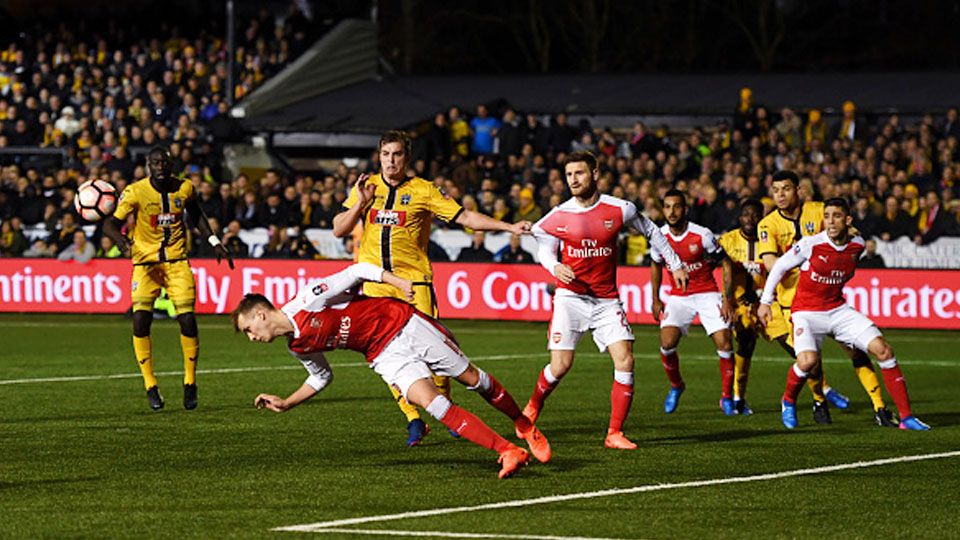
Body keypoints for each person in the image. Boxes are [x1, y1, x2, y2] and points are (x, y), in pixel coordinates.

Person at [232, 262, 551, 478]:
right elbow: (321, 376)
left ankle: (523, 424)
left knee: (472, 379)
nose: (251, 337)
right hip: (382, 353)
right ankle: (509, 450)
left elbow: (357, 270)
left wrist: (397, 282)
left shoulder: (308, 301)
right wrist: (287, 402)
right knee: (433, 404)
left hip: (402, 324)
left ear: (260, 314)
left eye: (248, 329)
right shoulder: (296, 346)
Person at [332, 130, 531, 446]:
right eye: (386, 154)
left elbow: (464, 216)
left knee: (438, 355)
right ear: (379, 156)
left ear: (406, 158)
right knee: (386, 357)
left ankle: (448, 411)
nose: (391, 161)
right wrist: (360, 204)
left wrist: (508, 227)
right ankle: (413, 419)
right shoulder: (366, 186)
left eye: (397, 154)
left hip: (414, 285)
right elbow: (339, 229)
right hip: (376, 287)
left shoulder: (424, 190)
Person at [521, 151, 688, 450]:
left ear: (595, 174)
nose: (573, 179)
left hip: (606, 300)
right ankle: (532, 406)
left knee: (625, 360)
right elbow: (542, 244)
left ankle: (614, 433)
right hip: (570, 298)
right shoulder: (558, 214)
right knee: (560, 366)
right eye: (569, 174)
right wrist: (553, 266)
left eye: (579, 173)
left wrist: (674, 263)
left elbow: (652, 231)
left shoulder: (619, 209)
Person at [759, 198, 929, 431]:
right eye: (827, 216)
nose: (830, 221)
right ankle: (788, 400)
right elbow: (779, 267)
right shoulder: (810, 244)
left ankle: (907, 417)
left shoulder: (857, 245)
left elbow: (849, 262)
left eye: (836, 216)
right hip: (807, 313)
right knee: (807, 362)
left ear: (848, 221)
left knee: (883, 350)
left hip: (837, 310)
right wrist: (766, 302)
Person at [102, 146, 233, 411]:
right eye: (155, 162)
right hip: (145, 263)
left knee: (186, 318)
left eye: (164, 162)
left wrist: (214, 241)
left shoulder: (184, 188)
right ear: (148, 165)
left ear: (171, 164)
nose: (160, 166)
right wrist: (125, 245)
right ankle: (150, 385)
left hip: (176, 261)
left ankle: (190, 381)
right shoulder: (135, 192)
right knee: (140, 320)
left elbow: (196, 215)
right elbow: (109, 225)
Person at [650, 189, 737, 416]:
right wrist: (655, 298)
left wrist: (728, 299)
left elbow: (725, 263)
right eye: (667, 206)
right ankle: (677, 386)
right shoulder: (658, 237)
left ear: (685, 209)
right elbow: (656, 265)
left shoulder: (702, 235)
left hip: (707, 292)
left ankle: (727, 397)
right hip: (679, 296)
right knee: (667, 343)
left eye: (676, 206)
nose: (671, 211)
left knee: (725, 343)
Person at [717, 199, 766, 415]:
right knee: (739, 343)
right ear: (740, 218)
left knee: (747, 350)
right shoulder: (727, 241)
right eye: (746, 214)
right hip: (733, 305)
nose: (750, 219)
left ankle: (738, 397)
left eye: (755, 215)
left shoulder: (768, 241)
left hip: (760, 304)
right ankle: (732, 397)